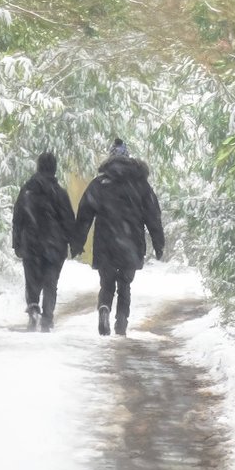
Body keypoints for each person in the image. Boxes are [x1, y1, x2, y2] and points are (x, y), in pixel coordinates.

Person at [71, 137, 164, 337]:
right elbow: (153, 216)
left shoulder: (100, 183)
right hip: (131, 241)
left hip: (106, 241)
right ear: (128, 157)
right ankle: (121, 321)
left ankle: (104, 308)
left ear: (110, 157)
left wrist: (78, 242)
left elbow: (84, 214)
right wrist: (158, 244)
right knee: (125, 284)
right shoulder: (141, 185)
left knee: (107, 282)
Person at [12, 151, 75, 332]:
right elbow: (68, 220)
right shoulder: (59, 193)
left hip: (30, 243)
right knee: (50, 283)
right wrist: (74, 242)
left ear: (38, 167)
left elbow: (18, 218)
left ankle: (33, 307)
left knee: (32, 281)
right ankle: (47, 317)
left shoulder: (27, 191)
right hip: (54, 245)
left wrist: (17, 242)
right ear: (54, 169)